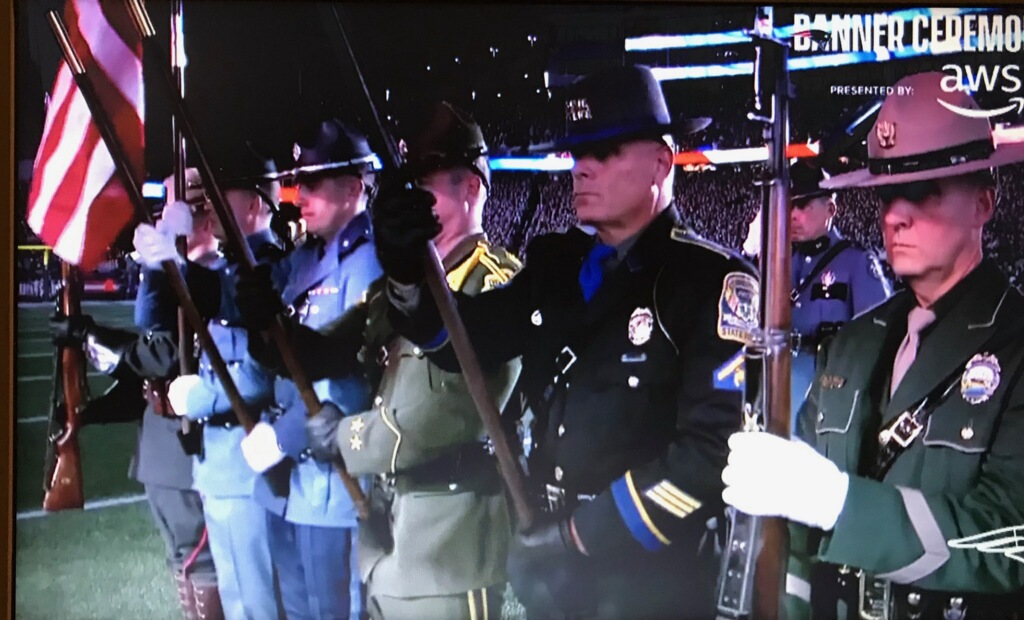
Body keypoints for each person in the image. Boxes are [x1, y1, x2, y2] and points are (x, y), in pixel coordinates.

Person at [373, 65, 758, 619]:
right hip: (547, 556)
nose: (582, 169)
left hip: (652, 577)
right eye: (578, 154)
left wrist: (581, 534)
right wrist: (407, 272)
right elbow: (461, 343)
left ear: (662, 161)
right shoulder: (557, 264)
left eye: (604, 152)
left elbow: (712, 454)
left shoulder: (707, 282)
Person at [723, 71, 1024, 620]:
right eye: (887, 192)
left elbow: (1010, 542)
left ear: (984, 202)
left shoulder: (1017, 344)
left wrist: (841, 505)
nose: (893, 215)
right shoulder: (854, 345)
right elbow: (792, 541)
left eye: (922, 191)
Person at [264, 101, 521, 620]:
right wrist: (261, 321)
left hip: (450, 547)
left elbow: (437, 417)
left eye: (424, 185)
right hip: (388, 539)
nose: (410, 202)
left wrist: (340, 436)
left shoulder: (494, 280)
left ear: (471, 187)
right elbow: (325, 351)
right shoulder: (399, 286)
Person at [138, 119, 384, 620]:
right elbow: (243, 306)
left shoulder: (368, 262)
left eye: (315, 183)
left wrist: (282, 434)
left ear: (355, 188)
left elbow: (355, 373)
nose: (302, 194)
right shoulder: (305, 260)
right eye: (301, 183)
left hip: (333, 480)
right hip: (289, 485)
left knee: (332, 610)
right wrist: (174, 265)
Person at [52, 179, 222, 620]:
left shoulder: (217, 276)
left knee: (201, 559)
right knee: (181, 558)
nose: (165, 218)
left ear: (206, 216)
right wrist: (89, 412)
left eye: (178, 208)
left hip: (193, 452)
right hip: (160, 448)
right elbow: (146, 380)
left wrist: (88, 337)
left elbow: (160, 354)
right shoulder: (175, 276)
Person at [149, 155, 285, 620]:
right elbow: (154, 316)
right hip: (219, 465)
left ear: (254, 206)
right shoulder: (226, 271)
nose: (210, 203)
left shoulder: (268, 269)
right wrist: (162, 253)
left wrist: (198, 397)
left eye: (222, 194)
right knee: (239, 599)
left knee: (262, 603)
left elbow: (260, 374)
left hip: (250, 465)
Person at [742, 160, 892, 432]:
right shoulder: (776, 260)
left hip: (831, 392)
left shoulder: (856, 262)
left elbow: (877, 338)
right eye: (788, 205)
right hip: (778, 385)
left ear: (831, 209)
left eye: (803, 205)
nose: (793, 214)